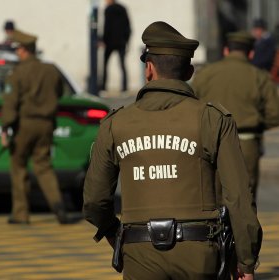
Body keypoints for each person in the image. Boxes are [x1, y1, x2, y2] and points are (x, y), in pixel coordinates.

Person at [83, 21, 262, 279]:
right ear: (189, 71)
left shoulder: (116, 123)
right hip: (201, 253)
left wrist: (114, 233)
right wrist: (246, 261)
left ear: (148, 68)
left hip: (139, 251)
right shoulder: (213, 119)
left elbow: (94, 199)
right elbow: (239, 198)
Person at [192, 31, 279, 202]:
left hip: (210, 142)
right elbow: (274, 114)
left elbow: (191, 105)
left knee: (212, 198)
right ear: (251, 53)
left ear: (226, 51)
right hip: (246, 143)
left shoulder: (204, 75)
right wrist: (257, 124)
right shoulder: (259, 77)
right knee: (244, 199)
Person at [0, 29, 69, 225]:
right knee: (44, 166)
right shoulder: (50, 70)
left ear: (22, 50)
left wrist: (5, 127)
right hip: (46, 124)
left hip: (25, 124)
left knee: (19, 166)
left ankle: (21, 214)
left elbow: (10, 103)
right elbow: (60, 92)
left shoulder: (17, 73)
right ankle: (58, 206)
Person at [100, 0, 131, 92]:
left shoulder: (108, 10)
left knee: (105, 65)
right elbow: (128, 26)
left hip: (110, 42)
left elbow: (107, 26)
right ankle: (124, 87)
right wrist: (126, 40)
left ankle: (103, 87)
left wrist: (103, 40)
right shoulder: (123, 8)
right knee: (122, 65)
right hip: (121, 42)